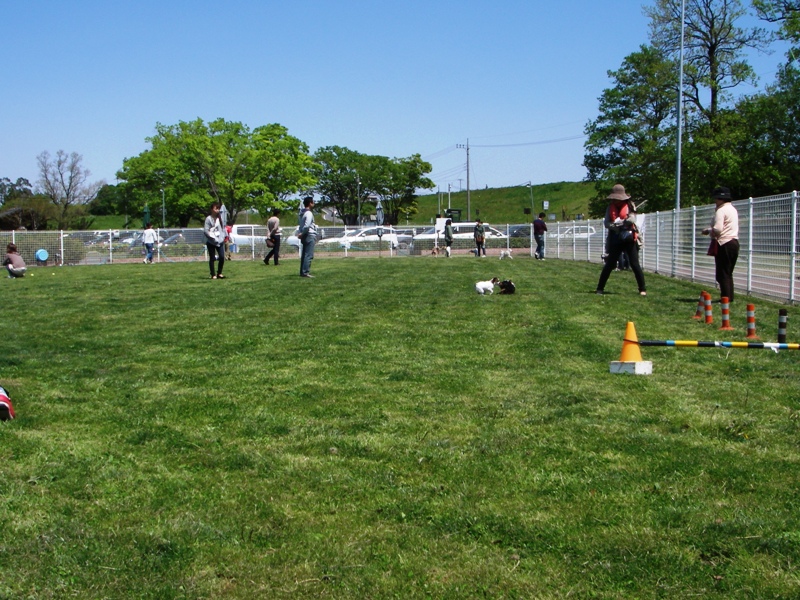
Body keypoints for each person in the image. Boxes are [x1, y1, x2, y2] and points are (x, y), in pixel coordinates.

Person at [595, 184, 646, 296]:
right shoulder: (610, 207)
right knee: (609, 264)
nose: (614, 201)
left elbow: (632, 219)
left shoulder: (630, 205)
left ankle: (642, 289)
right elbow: (607, 223)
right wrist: (615, 226)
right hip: (616, 238)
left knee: (634, 263)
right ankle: (600, 288)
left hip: (629, 238)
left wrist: (622, 222)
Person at [702, 186, 739, 302]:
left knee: (722, 274)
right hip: (734, 242)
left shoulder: (721, 210)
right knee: (728, 272)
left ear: (720, 199)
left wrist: (708, 230)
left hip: (724, 242)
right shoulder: (732, 209)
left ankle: (725, 298)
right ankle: (728, 297)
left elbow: (718, 229)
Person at [203, 202, 226, 279]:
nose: (217, 210)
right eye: (216, 208)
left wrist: (223, 238)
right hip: (211, 241)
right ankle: (213, 274)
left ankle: (219, 273)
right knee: (212, 258)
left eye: (218, 208)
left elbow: (222, 229)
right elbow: (206, 231)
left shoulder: (220, 218)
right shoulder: (208, 219)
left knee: (222, 257)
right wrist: (213, 238)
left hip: (220, 241)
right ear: (212, 209)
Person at [298, 196, 318, 277]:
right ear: (310, 203)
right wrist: (302, 233)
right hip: (309, 234)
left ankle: (302, 272)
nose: (313, 203)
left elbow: (301, 225)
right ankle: (305, 272)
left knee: (304, 254)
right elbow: (307, 226)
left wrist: (301, 233)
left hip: (305, 235)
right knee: (308, 255)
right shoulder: (309, 213)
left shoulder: (301, 213)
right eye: (313, 202)